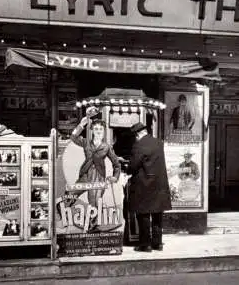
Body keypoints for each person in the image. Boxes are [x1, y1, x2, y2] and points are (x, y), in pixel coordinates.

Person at [68, 107, 121, 232]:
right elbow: (73, 137)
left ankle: (93, 229)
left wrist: (115, 177)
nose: (98, 131)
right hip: (85, 175)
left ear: (103, 132)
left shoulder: (106, 147)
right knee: (69, 197)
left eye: (100, 129)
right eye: (96, 129)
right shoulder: (86, 142)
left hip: (98, 177)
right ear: (92, 131)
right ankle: (67, 221)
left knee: (95, 204)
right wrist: (82, 124)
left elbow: (117, 164)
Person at [127, 122, 172, 252]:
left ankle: (145, 244)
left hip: (144, 184)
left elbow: (133, 165)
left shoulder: (139, 145)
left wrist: (128, 168)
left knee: (143, 214)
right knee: (157, 214)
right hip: (159, 184)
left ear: (138, 134)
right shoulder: (158, 142)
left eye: (135, 136)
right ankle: (157, 244)